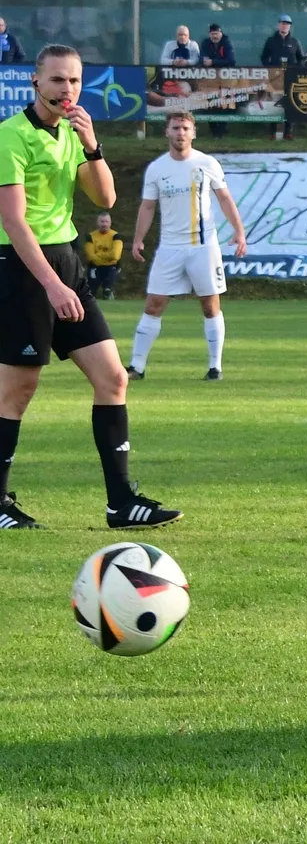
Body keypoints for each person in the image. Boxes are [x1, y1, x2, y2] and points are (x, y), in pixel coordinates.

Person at [0, 44, 179, 531]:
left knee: (113, 379)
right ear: (35, 82)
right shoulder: (11, 136)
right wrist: (54, 286)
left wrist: (93, 144)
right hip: (23, 266)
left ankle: (121, 503)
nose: (67, 90)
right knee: (17, 390)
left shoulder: (72, 134)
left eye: (75, 81)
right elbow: (14, 223)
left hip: (66, 261)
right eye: (57, 80)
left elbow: (105, 196)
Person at [126, 111, 249, 382]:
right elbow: (148, 206)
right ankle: (137, 366)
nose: (180, 133)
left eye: (185, 128)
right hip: (169, 247)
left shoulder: (206, 163)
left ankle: (215, 367)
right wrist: (138, 239)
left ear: (193, 133)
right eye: (175, 128)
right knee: (153, 305)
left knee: (209, 305)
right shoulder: (157, 168)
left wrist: (239, 232)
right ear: (166, 133)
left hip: (203, 247)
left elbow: (225, 198)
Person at [83, 212, 123, 300]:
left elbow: (115, 255)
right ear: (97, 223)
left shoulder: (116, 236)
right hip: (95, 267)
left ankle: (108, 295)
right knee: (91, 290)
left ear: (110, 223)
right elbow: (90, 256)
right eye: (102, 221)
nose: (104, 224)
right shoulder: (91, 236)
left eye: (106, 222)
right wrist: (106, 257)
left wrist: (99, 254)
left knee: (107, 288)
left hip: (112, 266)